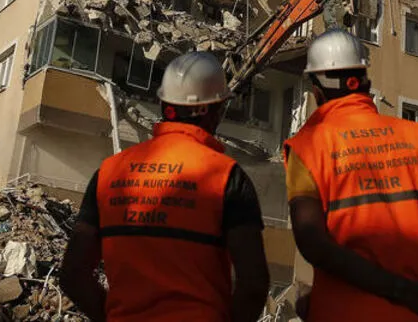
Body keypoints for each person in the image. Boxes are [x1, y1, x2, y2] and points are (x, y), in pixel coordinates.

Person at [284, 29, 418, 322]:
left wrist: (400, 290)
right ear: (366, 82)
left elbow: (312, 241)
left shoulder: (307, 147)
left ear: (317, 90)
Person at [60, 51, 271, 322]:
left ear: (163, 104)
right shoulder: (227, 177)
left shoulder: (108, 174)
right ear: (216, 110)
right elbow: (253, 284)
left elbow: (73, 274)